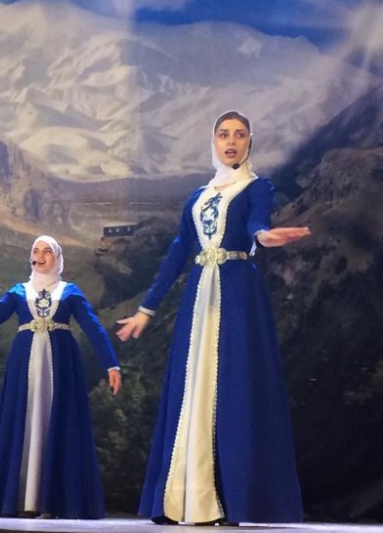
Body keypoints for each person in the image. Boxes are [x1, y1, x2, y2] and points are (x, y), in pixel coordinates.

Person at [115, 111, 309, 526]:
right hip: (199, 297)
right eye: (224, 135)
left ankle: (228, 498)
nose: (231, 142)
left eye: (239, 135)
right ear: (214, 141)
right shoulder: (197, 197)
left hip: (238, 294)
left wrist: (264, 237)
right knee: (193, 385)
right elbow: (177, 254)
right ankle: (184, 497)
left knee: (232, 386)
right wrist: (146, 310)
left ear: (250, 141)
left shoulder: (257, 186)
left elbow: (257, 224)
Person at [0, 235, 122, 519]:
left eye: (47, 251)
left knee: (56, 421)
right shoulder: (18, 291)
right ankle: (23, 499)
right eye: (36, 251)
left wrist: (111, 364)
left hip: (60, 366)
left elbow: (93, 327)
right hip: (24, 364)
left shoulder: (69, 292)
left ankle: (54, 501)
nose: (40, 256)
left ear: (57, 258)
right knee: (25, 420)